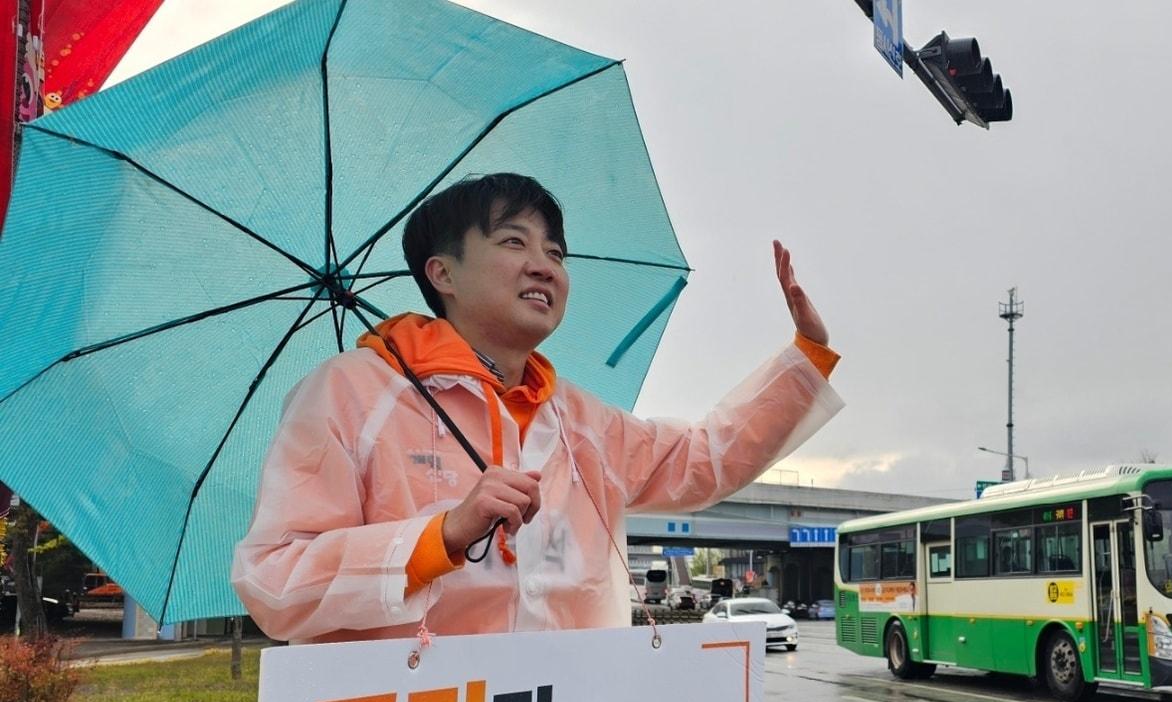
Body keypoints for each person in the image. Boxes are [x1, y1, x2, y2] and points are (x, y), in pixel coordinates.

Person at [232, 173, 844, 643]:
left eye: (555, 253)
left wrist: (805, 359)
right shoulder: (350, 394)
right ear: (442, 273)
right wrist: (439, 537)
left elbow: (702, 460)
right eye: (513, 242)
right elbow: (275, 579)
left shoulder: (578, 420)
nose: (543, 267)